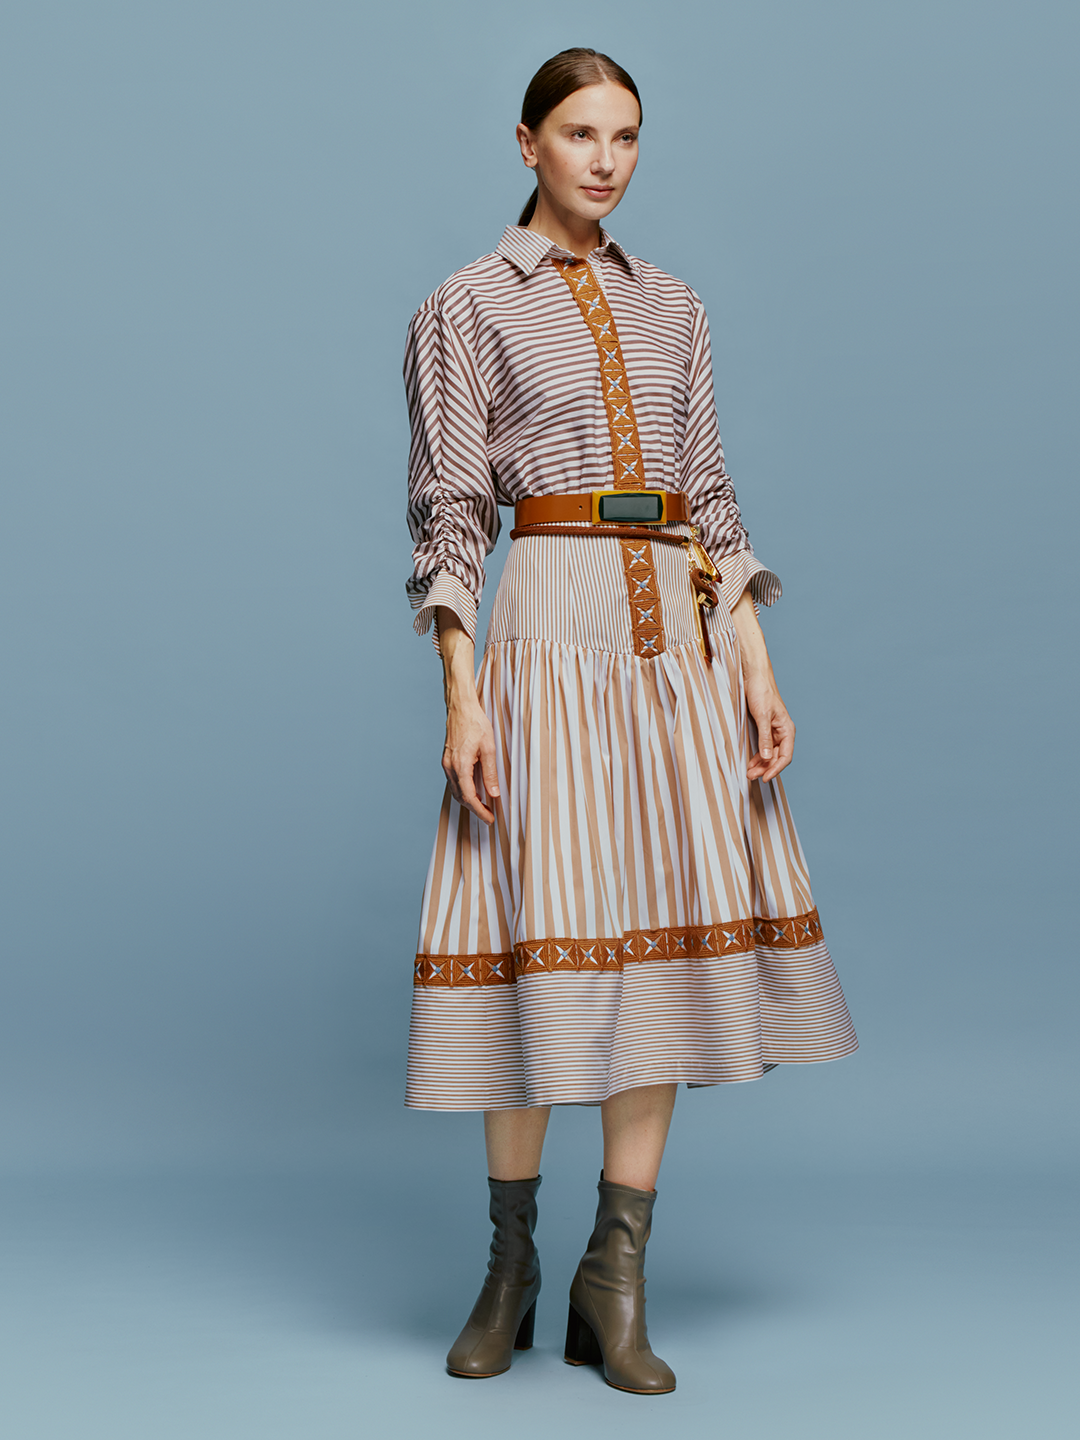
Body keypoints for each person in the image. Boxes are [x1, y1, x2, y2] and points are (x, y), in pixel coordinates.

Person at [401, 48, 858, 1395]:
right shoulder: (465, 306)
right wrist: (460, 690)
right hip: (547, 632)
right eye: (581, 134)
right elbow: (448, 512)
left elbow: (712, 492)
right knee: (541, 931)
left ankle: (617, 1275)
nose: (606, 159)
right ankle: (511, 1262)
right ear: (528, 142)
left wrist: (756, 667)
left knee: (654, 944)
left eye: (629, 137)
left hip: (681, 641)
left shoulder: (677, 309)